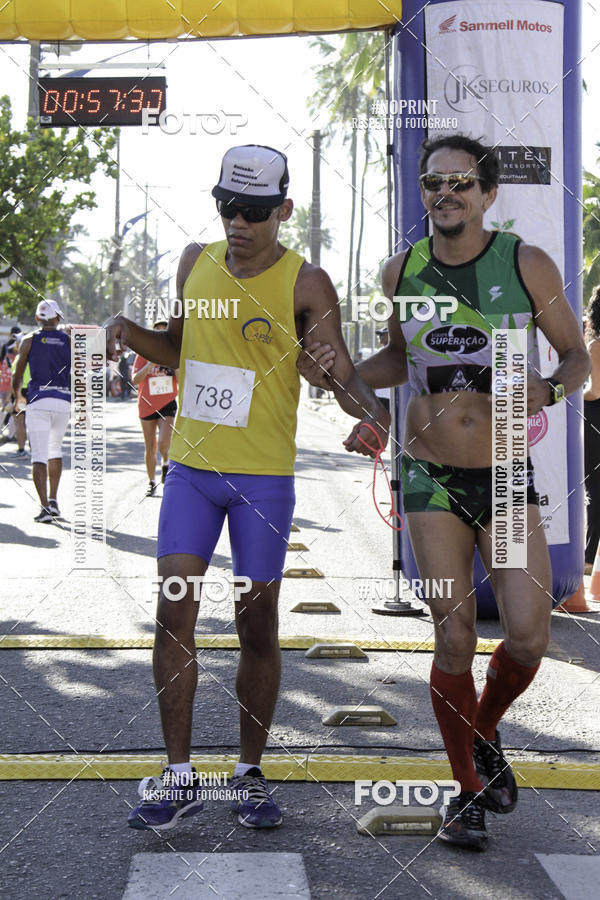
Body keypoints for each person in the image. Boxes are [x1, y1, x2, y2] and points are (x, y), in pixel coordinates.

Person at [298, 134, 590, 851]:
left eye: (461, 182)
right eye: (434, 183)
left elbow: (579, 355)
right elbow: (397, 359)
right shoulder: (403, 269)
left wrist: (548, 388)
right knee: (454, 630)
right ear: (424, 193)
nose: (446, 193)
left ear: (487, 194)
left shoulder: (525, 263)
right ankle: (467, 791)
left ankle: (481, 731)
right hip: (430, 478)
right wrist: (338, 374)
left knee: (528, 631)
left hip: (506, 471)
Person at [106, 144, 389, 832]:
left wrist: (367, 415)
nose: (238, 222)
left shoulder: (305, 283)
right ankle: (178, 777)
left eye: (254, 212)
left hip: (263, 481)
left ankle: (250, 772)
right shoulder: (194, 263)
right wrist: (129, 333)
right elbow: (183, 349)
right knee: (174, 610)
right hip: (194, 476)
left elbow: (346, 382)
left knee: (254, 622)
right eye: (227, 207)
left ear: (283, 211)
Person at [12, 300, 71, 522]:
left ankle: (45, 507)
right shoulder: (69, 340)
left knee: (39, 454)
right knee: (55, 450)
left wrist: (18, 397)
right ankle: (54, 501)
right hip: (63, 402)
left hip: (38, 401)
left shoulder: (28, 340)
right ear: (58, 318)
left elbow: (18, 374)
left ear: (37, 318)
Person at [131, 320, 178, 497]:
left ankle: (166, 462)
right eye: (157, 330)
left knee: (164, 442)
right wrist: (150, 364)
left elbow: (180, 380)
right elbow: (135, 379)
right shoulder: (143, 353)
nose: (160, 333)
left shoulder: (173, 353)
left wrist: (175, 366)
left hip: (167, 401)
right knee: (150, 445)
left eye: (163, 330)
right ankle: (151, 482)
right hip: (147, 403)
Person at [584, 285, 600, 573]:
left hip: (595, 420)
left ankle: (587, 559)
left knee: (594, 491)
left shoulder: (596, 346)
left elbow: (594, 391)